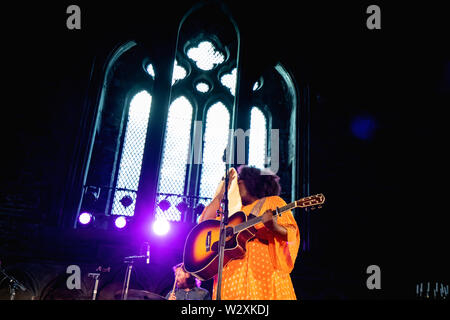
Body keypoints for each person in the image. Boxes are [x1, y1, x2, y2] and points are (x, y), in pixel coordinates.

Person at [198, 165, 300, 300]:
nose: (235, 187)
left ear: (252, 183)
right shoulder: (231, 212)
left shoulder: (271, 201)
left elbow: (291, 233)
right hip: (229, 279)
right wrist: (221, 194)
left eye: (238, 183)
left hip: (262, 276)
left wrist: (273, 226)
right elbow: (203, 225)